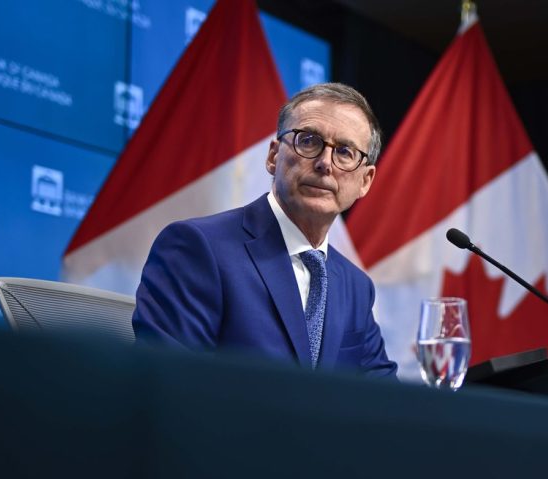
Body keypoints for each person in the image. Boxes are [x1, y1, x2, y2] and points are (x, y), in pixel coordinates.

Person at [132, 83, 397, 378]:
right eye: (308, 141)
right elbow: (170, 386)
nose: (325, 164)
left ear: (365, 181)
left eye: (345, 152)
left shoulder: (356, 286)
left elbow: (382, 397)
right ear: (273, 156)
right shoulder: (196, 248)